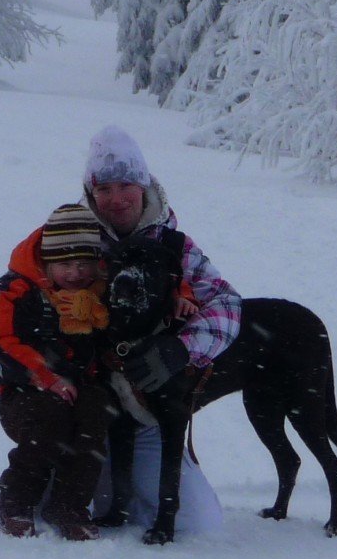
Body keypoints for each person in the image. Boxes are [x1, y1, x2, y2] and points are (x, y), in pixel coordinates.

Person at [79, 125, 241, 536]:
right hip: (86, 418)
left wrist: (182, 349)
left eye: (126, 185)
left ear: (144, 186)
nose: (117, 198)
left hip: (149, 417)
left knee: (197, 524)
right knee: (55, 510)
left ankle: (137, 489)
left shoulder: (174, 245)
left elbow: (226, 304)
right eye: (104, 188)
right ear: (91, 193)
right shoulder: (70, 239)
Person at [0, 203, 117, 540]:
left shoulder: (96, 293)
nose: (75, 273)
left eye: (83, 264)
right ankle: (15, 501)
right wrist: (45, 375)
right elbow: (1, 340)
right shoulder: (17, 289)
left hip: (80, 385)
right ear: (46, 262)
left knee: (94, 420)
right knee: (47, 423)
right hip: (23, 388)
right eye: (65, 265)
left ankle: (69, 505)